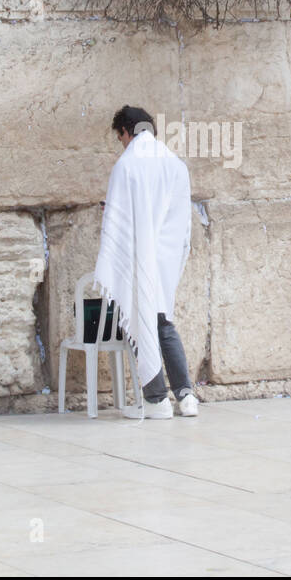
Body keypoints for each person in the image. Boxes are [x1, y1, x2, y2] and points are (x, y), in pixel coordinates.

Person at [94, 106, 197, 419]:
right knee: (163, 322)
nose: (122, 144)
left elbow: (118, 217)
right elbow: (180, 222)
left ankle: (156, 400)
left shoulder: (127, 164)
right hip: (164, 259)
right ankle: (186, 395)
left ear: (126, 132)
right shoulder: (175, 164)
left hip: (138, 257)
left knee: (138, 321)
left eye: (120, 137)